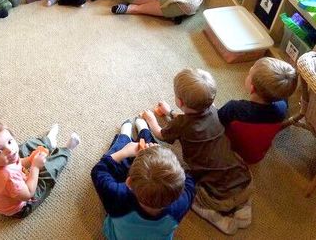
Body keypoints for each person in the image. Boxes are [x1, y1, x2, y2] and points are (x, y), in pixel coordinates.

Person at [141, 68, 253, 235]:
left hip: (216, 197)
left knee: (189, 194)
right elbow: (189, 117)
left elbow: (160, 134)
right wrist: (169, 112)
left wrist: (151, 119)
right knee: (236, 185)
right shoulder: (215, 110)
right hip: (246, 182)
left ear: (179, 102)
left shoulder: (181, 124)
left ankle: (217, 218)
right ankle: (244, 210)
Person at [91, 118, 195, 240]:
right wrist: (165, 160)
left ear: (128, 182)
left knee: (117, 156)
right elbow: (190, 180)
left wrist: (124, 152)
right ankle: (144, 131)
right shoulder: (181, 204)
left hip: (114, 235)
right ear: (179, 192)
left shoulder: (117, 196)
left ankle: (125, 137)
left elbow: (99, 171)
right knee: (157, 156)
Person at [0, 121, 80, 217]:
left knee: (24, 147)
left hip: (13, 183)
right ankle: (66, 150)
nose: (10, 150)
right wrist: (35, 167)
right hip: (22, 206)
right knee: (47, 174)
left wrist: (31, 159)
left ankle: (49, 141)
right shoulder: (8, 178)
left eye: (10, 141)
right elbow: (28, 194)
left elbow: (18, 163)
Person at [218, 57, 297, 163]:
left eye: (249, 74)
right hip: (256, 157)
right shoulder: (282, 107)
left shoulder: (234, 108)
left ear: (252, 88)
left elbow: (216, 121)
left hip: (231, 150)